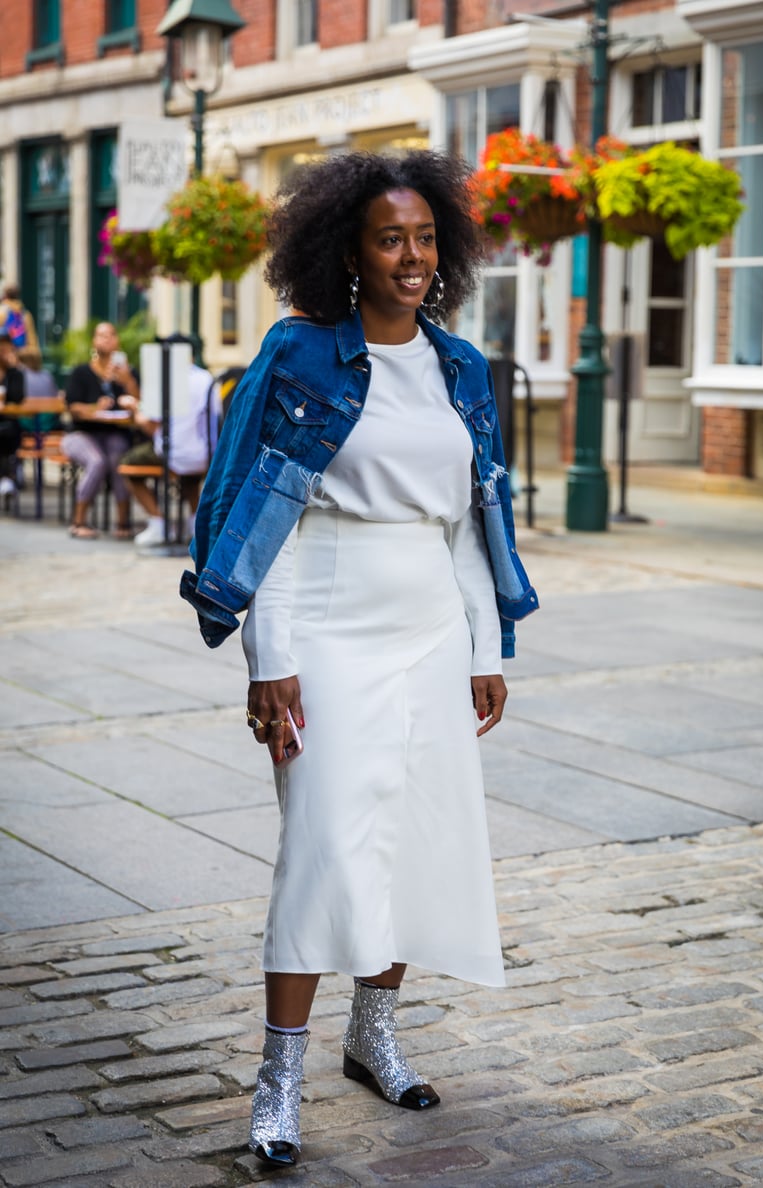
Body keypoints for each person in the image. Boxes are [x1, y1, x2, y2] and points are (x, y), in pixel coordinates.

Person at [183, 151, 539, 1170]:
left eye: (427, 238)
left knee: (417, 841)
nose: (413, 257)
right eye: (391, 239)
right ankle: (278, 1080)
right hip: (328, 628)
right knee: (326, 849)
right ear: (348, 250)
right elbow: (265, 521)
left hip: (429, 625)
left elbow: (473, 523)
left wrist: (484, 646)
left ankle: (370, 1034)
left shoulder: (460, 368)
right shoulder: (298, 357)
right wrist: (270, 658)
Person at [120, 333, 221, 547]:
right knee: (189, 477)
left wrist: (134, 409)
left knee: (127, 464)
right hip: (206, 453)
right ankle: (195, 526)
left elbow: (150, 425)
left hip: (172, 453)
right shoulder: (208, 379)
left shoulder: (167, 379)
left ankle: (158, 523)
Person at [63, 322, 140, 539]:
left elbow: (141, 403)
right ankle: (78, 521)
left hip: (115, 433)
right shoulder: (81, 372)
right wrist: (94, 408)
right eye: (101, 335)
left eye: (111, 335)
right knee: (97, 461)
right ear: (94, 342)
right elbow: (73, 408)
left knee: (119, 459)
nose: (106, 339)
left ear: (118, 341)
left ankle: (123, 522)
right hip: (81, 434)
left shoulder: (127, 373)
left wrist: (127, 381)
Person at [0, 332, 25, 497]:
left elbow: (18, 398)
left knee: (7, 431)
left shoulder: (15, 374)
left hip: (9, 423)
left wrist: (14, 367)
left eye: (5, 345)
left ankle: (6, 478)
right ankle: (7, 478)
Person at [0, 284, 39, 351]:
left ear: (5, 296)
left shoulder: (2, 311)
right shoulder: (25, 313)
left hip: (5, 352)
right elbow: (31, 336)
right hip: (21, 351)